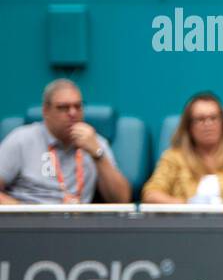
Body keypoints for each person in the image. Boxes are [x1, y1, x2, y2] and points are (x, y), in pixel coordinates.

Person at [0, 79, 131, 204]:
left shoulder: (95, 143)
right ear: (46, 111)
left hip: (77, 217)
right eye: (63, 107)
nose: (73, 113)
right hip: (29, 216)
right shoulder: (21, 139)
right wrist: (18, 209)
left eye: (78, 106)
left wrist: (98, 155)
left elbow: (121, 200)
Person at [141, 92, 223, 204]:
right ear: (189, 126)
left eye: (213, 118)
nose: (208, 124)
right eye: (200, 119)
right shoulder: (173, 158)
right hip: (186, 221)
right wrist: (187, 205)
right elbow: (150, 194)